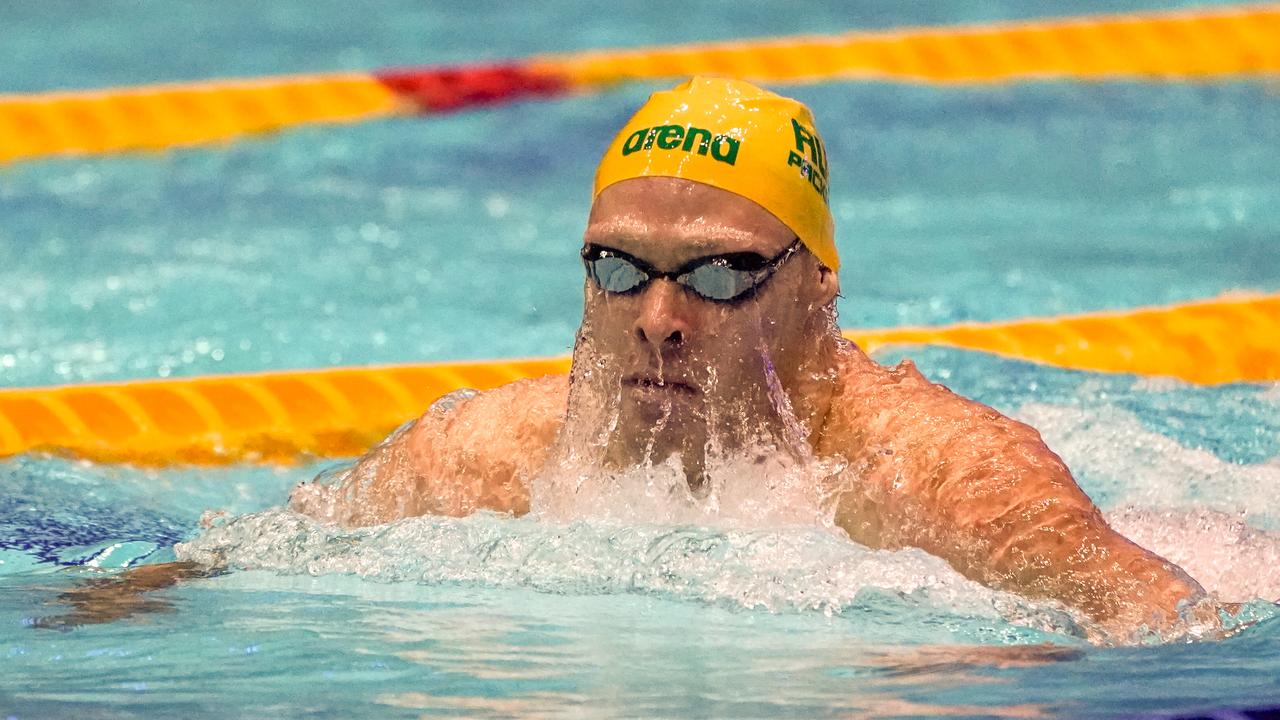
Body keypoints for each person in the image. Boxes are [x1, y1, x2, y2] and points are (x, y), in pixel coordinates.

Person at [286, 77, 1216, 640]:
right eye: (617, 268)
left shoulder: (938, 478)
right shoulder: (485, 454)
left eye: (720, 274)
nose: (658, 317)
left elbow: (1171, 623)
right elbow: (233, 564)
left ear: (820, 286)